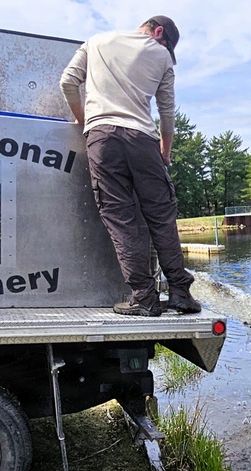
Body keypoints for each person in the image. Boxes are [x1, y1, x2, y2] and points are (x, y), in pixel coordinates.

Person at [60, 16, 202, 317]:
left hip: (103, 139)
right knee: (162, 218)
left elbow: (68, 82)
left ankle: (144, 298)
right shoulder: (162, 56)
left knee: (121, 219)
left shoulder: (95, 42)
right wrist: (165, 153)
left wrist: (83, 118)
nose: (165, 48)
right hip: (144, 141)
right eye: (166, 43)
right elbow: (166, 113)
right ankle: (180, 292)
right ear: (159, 31)